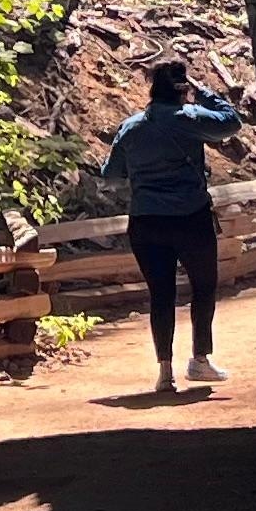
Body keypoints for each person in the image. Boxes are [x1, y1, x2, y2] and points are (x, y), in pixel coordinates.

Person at [103, 58, 243, 396]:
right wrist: (203, 91)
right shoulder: (190, 119)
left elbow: (111, 174)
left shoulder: (131, 127)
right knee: (204, 286)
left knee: (161, 294)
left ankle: (165, 372)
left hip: (146, 221)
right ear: (182, 91)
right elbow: (231, 122)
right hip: (191, 217)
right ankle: (200, 359)